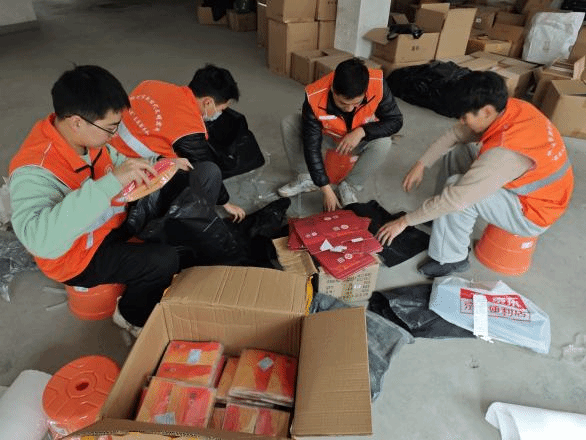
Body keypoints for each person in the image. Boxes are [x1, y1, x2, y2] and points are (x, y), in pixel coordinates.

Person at [8, 65, 200, 336]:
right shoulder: (35, 170)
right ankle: (130, 315)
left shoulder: (87, 139)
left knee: (178, 192)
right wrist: (110, 183)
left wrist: (160, 163)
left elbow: (119, 161)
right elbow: (40, 241)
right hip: (76, 257)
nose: (114, 136)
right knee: (163, 260)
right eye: (110, 128)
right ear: (77, 122)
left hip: (108, 224)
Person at [376, 71, 574, 278]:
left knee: (456, 189)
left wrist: (404, 222)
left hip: (532, 212)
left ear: (486, 111)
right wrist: (422, 164)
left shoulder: (505, 153)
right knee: (458, 151)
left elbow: (456, 198)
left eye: (465, 117)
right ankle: (441, 218)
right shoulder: (509, 108)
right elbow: (455, 135)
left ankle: (452, 258)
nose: (462, 122)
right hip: (528, 186)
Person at [109, 64, 246, 222]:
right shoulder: (190, 128)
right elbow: (203, 161)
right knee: (203, 172)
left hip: (104, 149)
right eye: (221, 108)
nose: (219, 113)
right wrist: (225, 202)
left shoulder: (150, 84)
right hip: (126, 177)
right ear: (208, 102)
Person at [278, 57, 403, 211]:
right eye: (343, 103)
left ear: (365, 91)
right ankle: (306, 178)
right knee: (290, 123)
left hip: (359, 140)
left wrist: (362, 131)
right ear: (332, 89)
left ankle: (349, 186)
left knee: (384, 142)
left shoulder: (377, 84)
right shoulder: (315, 96)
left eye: (356, 103)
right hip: (329, 137)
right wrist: (325, 187)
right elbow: (312, 146)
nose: (349, 109)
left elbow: (395, 120)